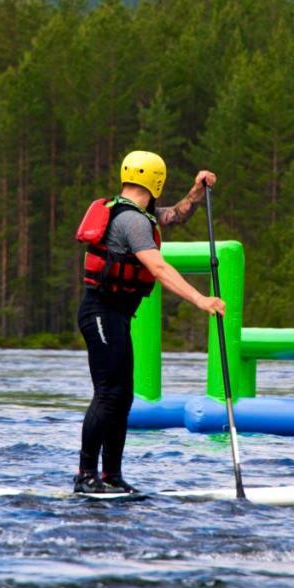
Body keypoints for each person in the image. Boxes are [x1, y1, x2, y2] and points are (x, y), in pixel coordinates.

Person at [73, 150, 225, 494]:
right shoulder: (133, 221)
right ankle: (85, 475)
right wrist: (201, 299)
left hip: (114, 316)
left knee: (122, 396)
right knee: (108, 394)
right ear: (156, 181)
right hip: (100, 313)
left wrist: (196, 191)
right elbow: (158, 269)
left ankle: (111, 475)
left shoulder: (137, 213)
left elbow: (173, 216)